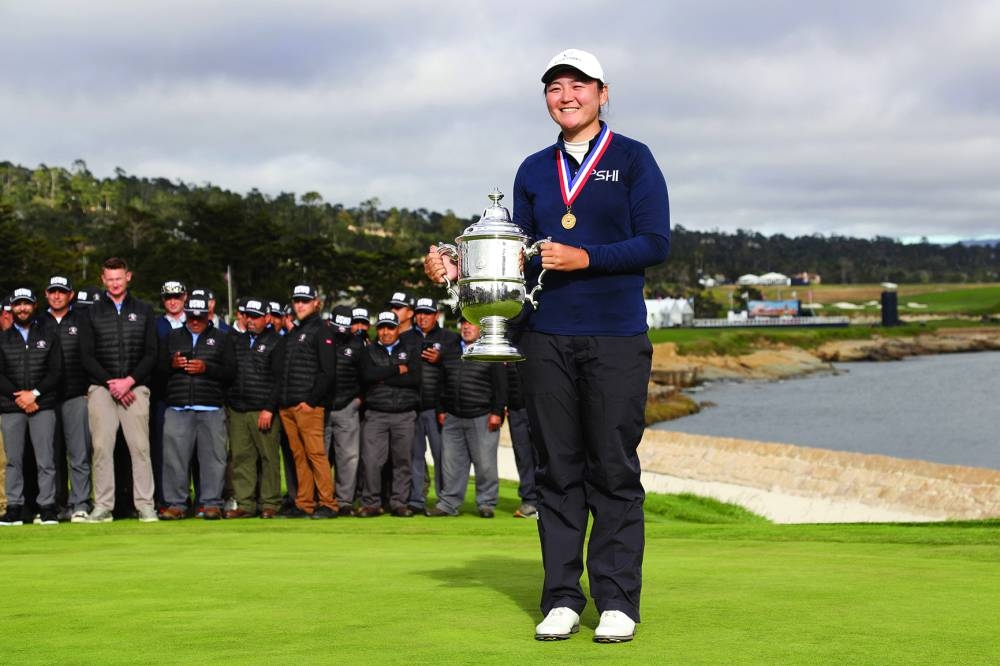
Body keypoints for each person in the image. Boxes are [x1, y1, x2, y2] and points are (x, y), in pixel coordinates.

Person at [425, 48, 669, 643]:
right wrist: (460, 267)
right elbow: (518, 252)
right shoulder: (534, 169)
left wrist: (587, 257)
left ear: (602, 93)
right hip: (545, 334)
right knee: (554, 470)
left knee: (612, 467)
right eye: (555, 87)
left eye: (579, 85)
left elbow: (655, 242)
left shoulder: (635, 159)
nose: (567, 95)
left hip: (615, 335)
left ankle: (616, 600)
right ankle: (562, 596)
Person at [79, 257, 160, 523]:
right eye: (110, 278)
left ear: (128, 277)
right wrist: (112, 383)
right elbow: (87, 356)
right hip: (102, 388)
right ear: (103, 279)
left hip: (135, 387)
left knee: (140, 448)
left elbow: (151, 353)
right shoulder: (91, 312)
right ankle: (103, 506)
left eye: (119, 277)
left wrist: (129, 381)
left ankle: (145, 505)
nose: (115, 283)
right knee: (102, 448)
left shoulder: (145, 309)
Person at [158, 296, 235, 520]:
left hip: (210, 406)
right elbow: (158, 369)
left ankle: (211, 503)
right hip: (178, 406)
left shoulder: (221, 338)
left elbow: (230, 372)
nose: (194, 322)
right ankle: (176, 504)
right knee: (174, 458)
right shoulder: (172, 337)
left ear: (207, 316)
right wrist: (172, 365)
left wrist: (206, 368)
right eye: (191, 317)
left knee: (213, 458)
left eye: (199, 318)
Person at [426, 316, 505, 518]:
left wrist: (497, 412)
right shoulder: (451, 351)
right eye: (464, 323)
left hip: (482, 415)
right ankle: (448, 503)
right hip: (452, 416)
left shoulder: (490, 351)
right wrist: (440, 409)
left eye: (471, 323)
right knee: (451, 464)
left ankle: (486, 503)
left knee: (485, 464)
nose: (467, 327)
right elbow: (441, 382)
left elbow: (500, 385)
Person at [273, 284, 338, 519]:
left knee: (316, 454)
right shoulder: (294, 333)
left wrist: (311, 401)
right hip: (289, 405)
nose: (299, 304)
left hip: (307, 406)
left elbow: (328, 372)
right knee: (299, 456)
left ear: (316, 303)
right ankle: (305, 503)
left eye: (304, 300)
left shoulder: (322, 330)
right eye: (297, 300)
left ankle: (328, 503)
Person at [0, 288, 63, 526]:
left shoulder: (48, 334)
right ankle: (14, 507)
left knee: (45, 460)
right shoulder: (3, 338)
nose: (22, 308)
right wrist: (19, 397)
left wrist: (33, 394)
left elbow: (56, 371)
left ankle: (46, 507)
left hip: (42, 404)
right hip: (11, 406)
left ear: (34, 305)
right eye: (18, 305)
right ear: (11, 308)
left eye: (26, 304)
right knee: (13, 460)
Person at [356, 311, 421, 517]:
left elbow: (414, 378)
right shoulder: (368, 351)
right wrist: (397, 369)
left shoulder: (410, 349)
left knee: (402, 460)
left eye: (390, 327)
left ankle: (399, 503)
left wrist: (382, 377)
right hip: (376, 413)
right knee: (372, 461)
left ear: (397, 329)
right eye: (382, 327)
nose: (385, 332)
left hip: (404, 413)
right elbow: (367, 376)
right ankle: (371, 503)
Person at [226, 298, 284, 518]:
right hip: (238, 408)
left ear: (267, 318)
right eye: (248, 316)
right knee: (241, 457)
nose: (251, 321)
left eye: (256, 317)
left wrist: (269, 408)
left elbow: (279, 379)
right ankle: (245, 504)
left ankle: (270, 503)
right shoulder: (237, 341)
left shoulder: (277, 342)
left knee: (268, 457)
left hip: (263, 409)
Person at [41, 275, 93, 522]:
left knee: (79, 453)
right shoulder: (39, 322)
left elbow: (90, 356)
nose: (57, 295)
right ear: (46, 294)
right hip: (47, 399)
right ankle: (57, 504)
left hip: (75, 394)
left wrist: (88, 388)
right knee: (51, 455)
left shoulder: (82, 320)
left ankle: (80, 502)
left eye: (62, 291)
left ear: (70, 295)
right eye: (53, 291)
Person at [401, 297, 459, 512]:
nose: (422, 317)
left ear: (436, 315)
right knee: (415, 456)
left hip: (437, 407)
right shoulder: (405, 338)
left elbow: (458, 368)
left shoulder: (450, 338)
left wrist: (441, 359)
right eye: (419, 313)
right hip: (412, 406)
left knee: (442, 456)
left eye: (427, 313)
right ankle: (417, 500)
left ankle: (444, 501)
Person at [325, 306, 364, 516]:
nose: (340, 334)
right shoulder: (321, 339)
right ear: (329, 323)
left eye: (344, 329)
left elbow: (365, 373)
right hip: (321, 405)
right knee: (320, 456)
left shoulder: (358, 343)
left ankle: (344, 501)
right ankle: (322, 498)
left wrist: (358, 398)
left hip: (347, 404)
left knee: (348, 457)